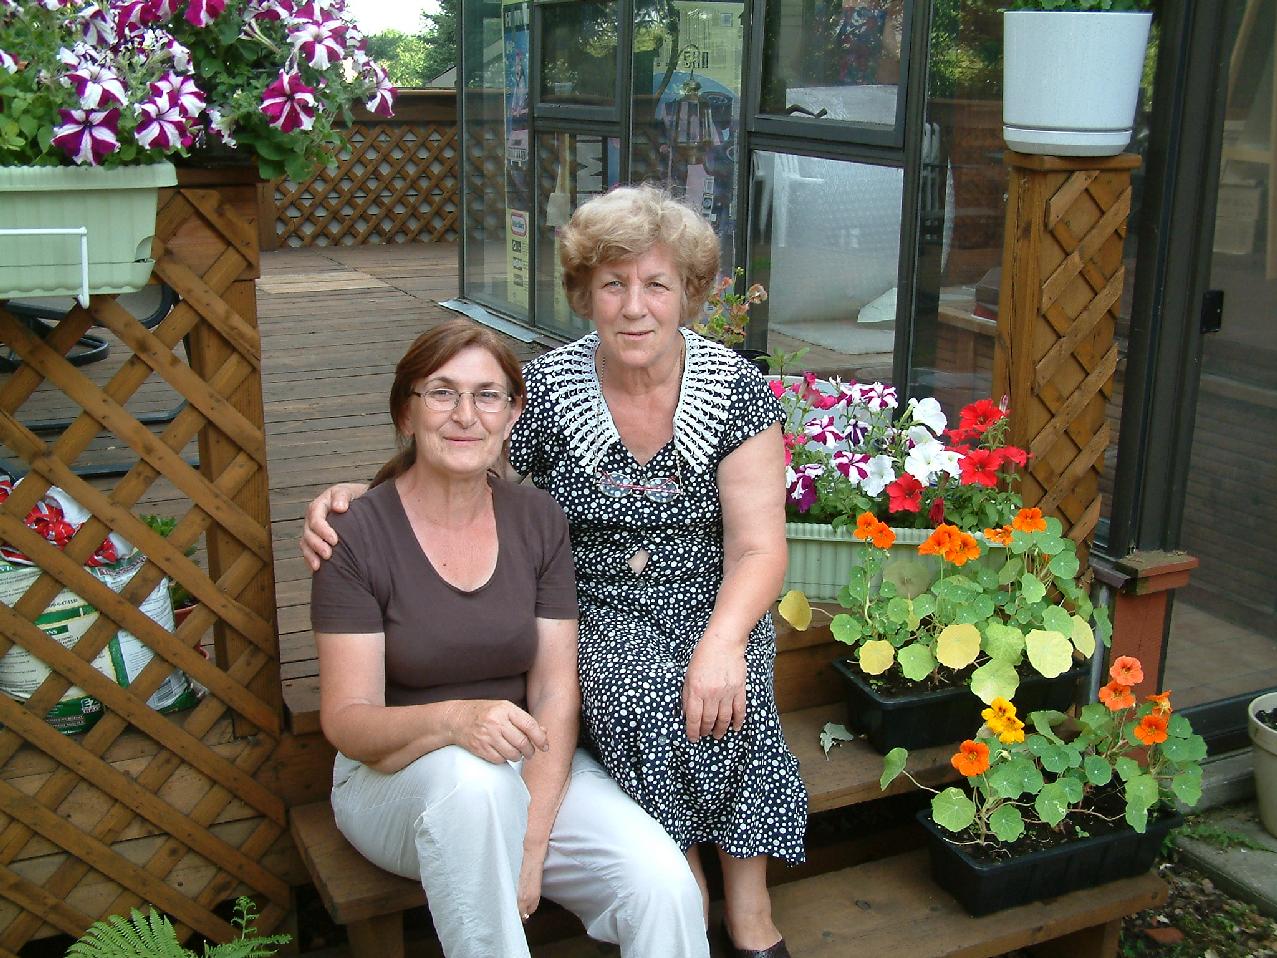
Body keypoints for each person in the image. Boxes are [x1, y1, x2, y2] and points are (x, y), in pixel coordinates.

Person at [304, 186, 807, 958]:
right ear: (583, 294)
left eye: (656, 285)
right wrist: (363, 499)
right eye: (612, 284)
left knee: (730, 681)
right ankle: (680, 870)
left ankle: (747, 904)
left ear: (688, 293)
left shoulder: (733, 388)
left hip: (714, 594)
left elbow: (758, 547)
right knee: (631, 685)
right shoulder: (545, 389)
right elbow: (464, 459)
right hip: (590, 598)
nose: (633, 306)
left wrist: (722, 640)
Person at [309, 320, 709, 958]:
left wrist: (532, 842)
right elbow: (348, 721)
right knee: (475, 785)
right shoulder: (354, 533)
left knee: (661, 883)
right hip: (393, 783)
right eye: (442, 392)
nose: (465, 415)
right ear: (406, 413)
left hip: (525, 766)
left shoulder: (536, 518)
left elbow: (553, 692)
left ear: (512, 414)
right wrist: (456, 721)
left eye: (487, 395)